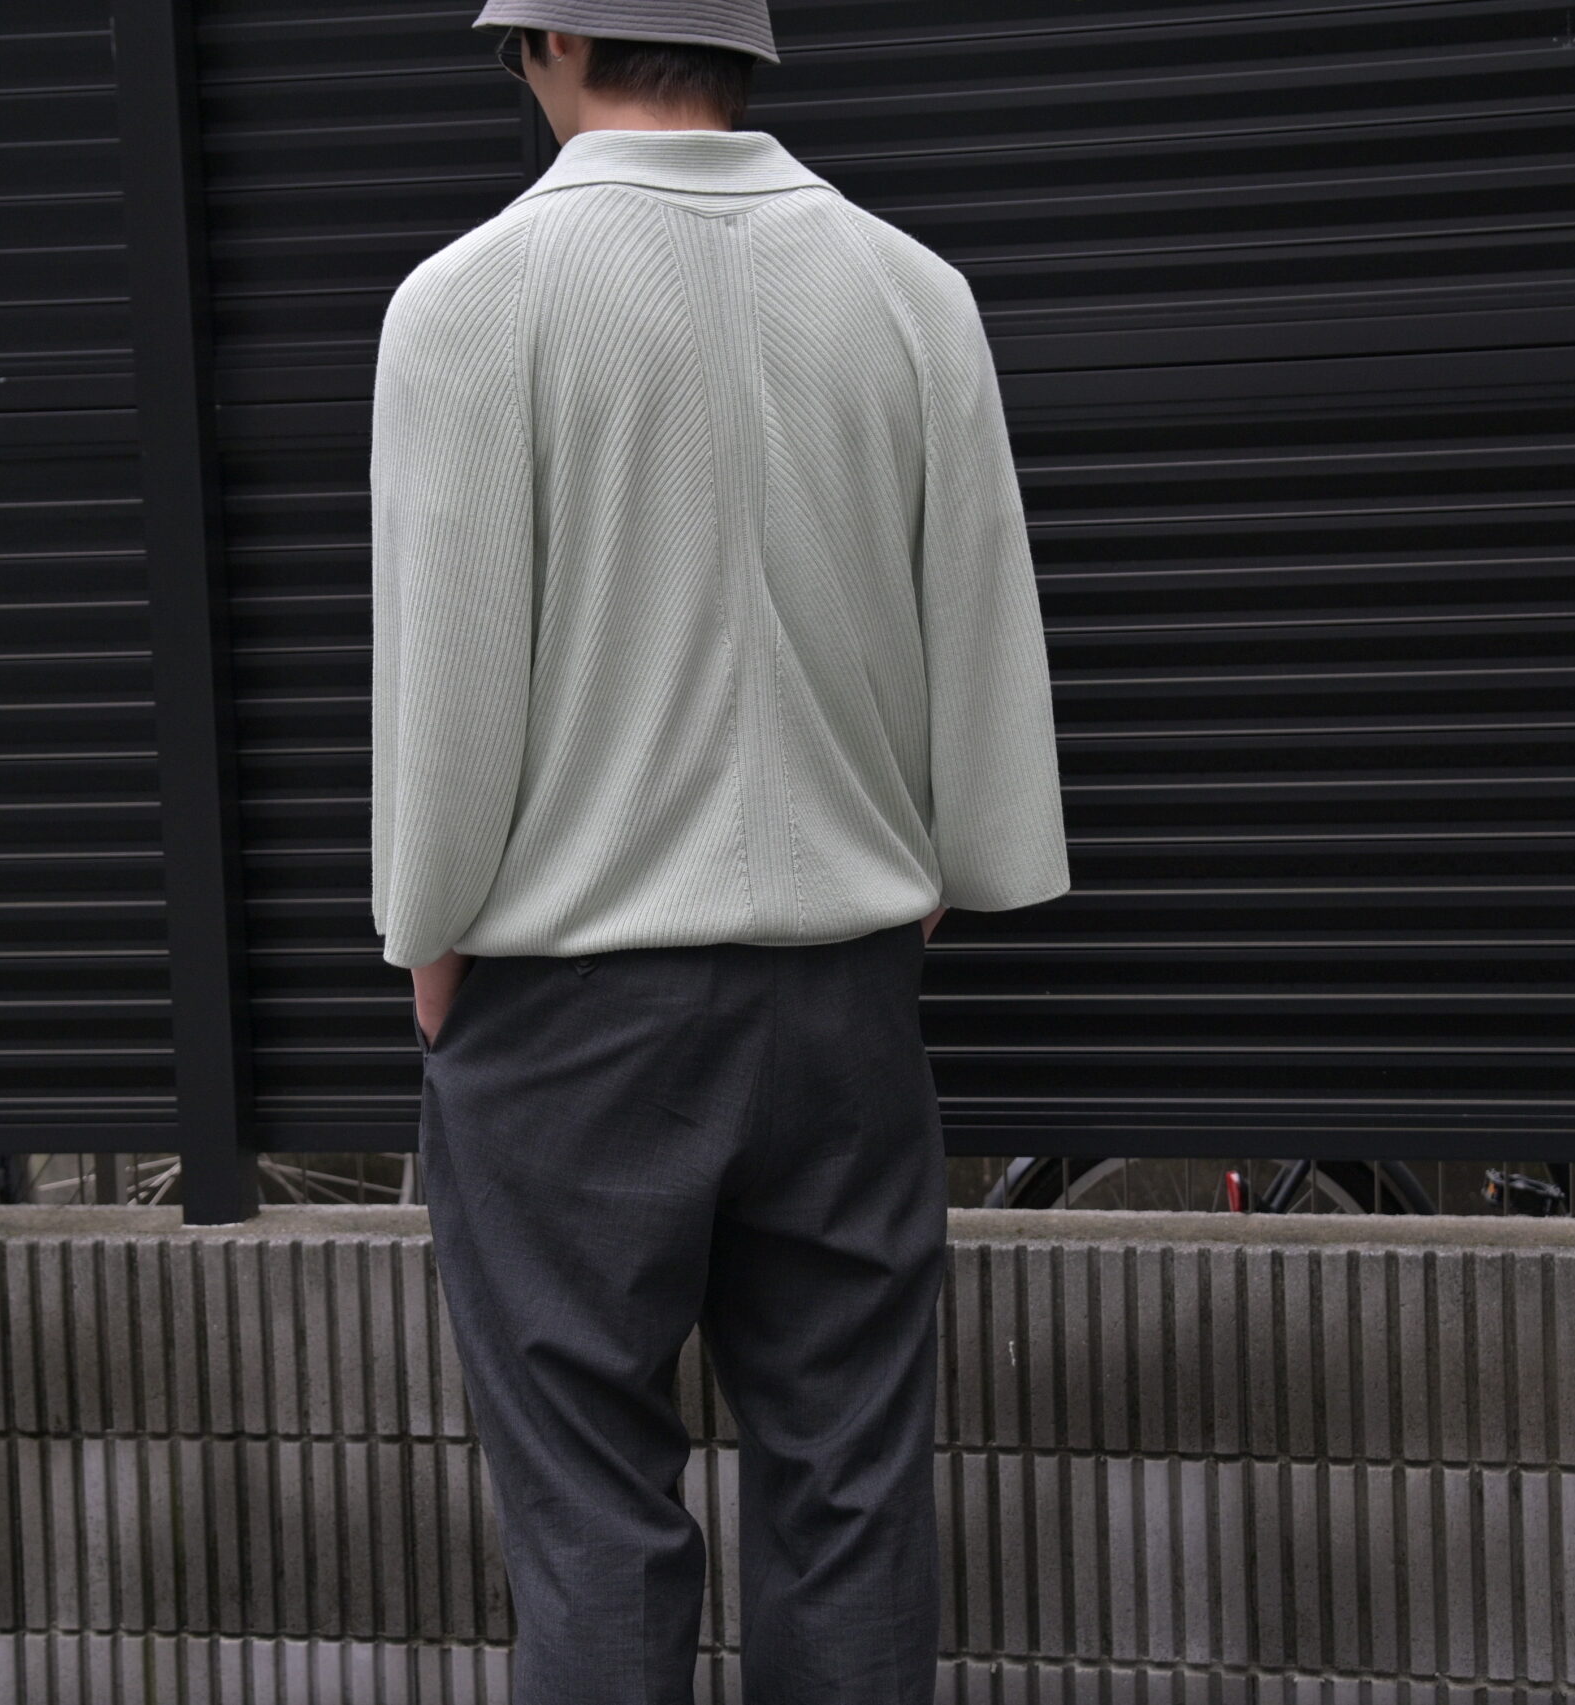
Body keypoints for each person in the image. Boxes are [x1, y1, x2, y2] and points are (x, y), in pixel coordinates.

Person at [366, 3, 1070, 1698]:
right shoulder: (913, 291)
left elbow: (450, 680)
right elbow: (980, 646)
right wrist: (906, 899)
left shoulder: (469, 301)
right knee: (849, 1494)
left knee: (594, 1521)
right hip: (847, 998)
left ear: (547, 39)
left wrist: (434, 953)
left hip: (565, 1009)